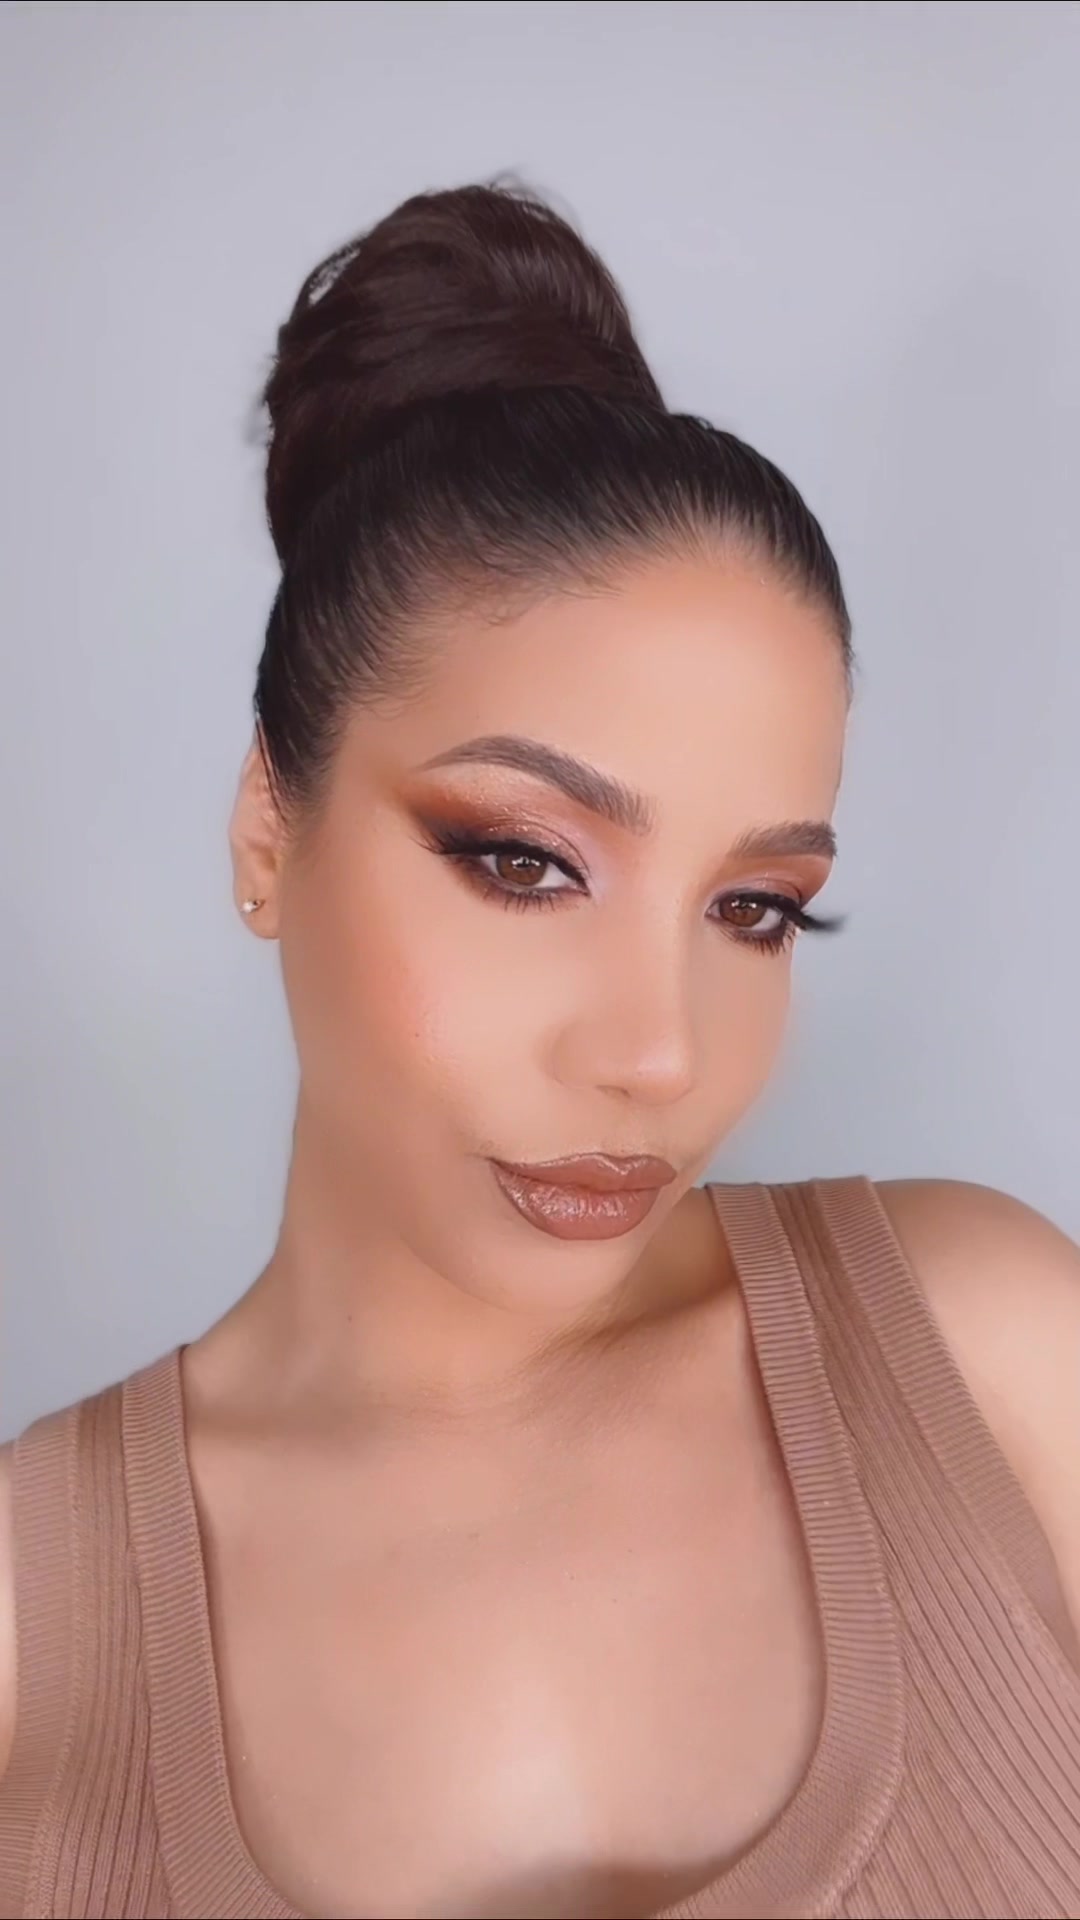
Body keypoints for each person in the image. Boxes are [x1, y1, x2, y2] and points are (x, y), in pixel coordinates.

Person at [1, 180, 1078, 1920]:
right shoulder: (24, 1629)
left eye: (755, 909)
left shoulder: (995, 1360)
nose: (660, 1055)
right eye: (523, 864)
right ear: (269, 826)